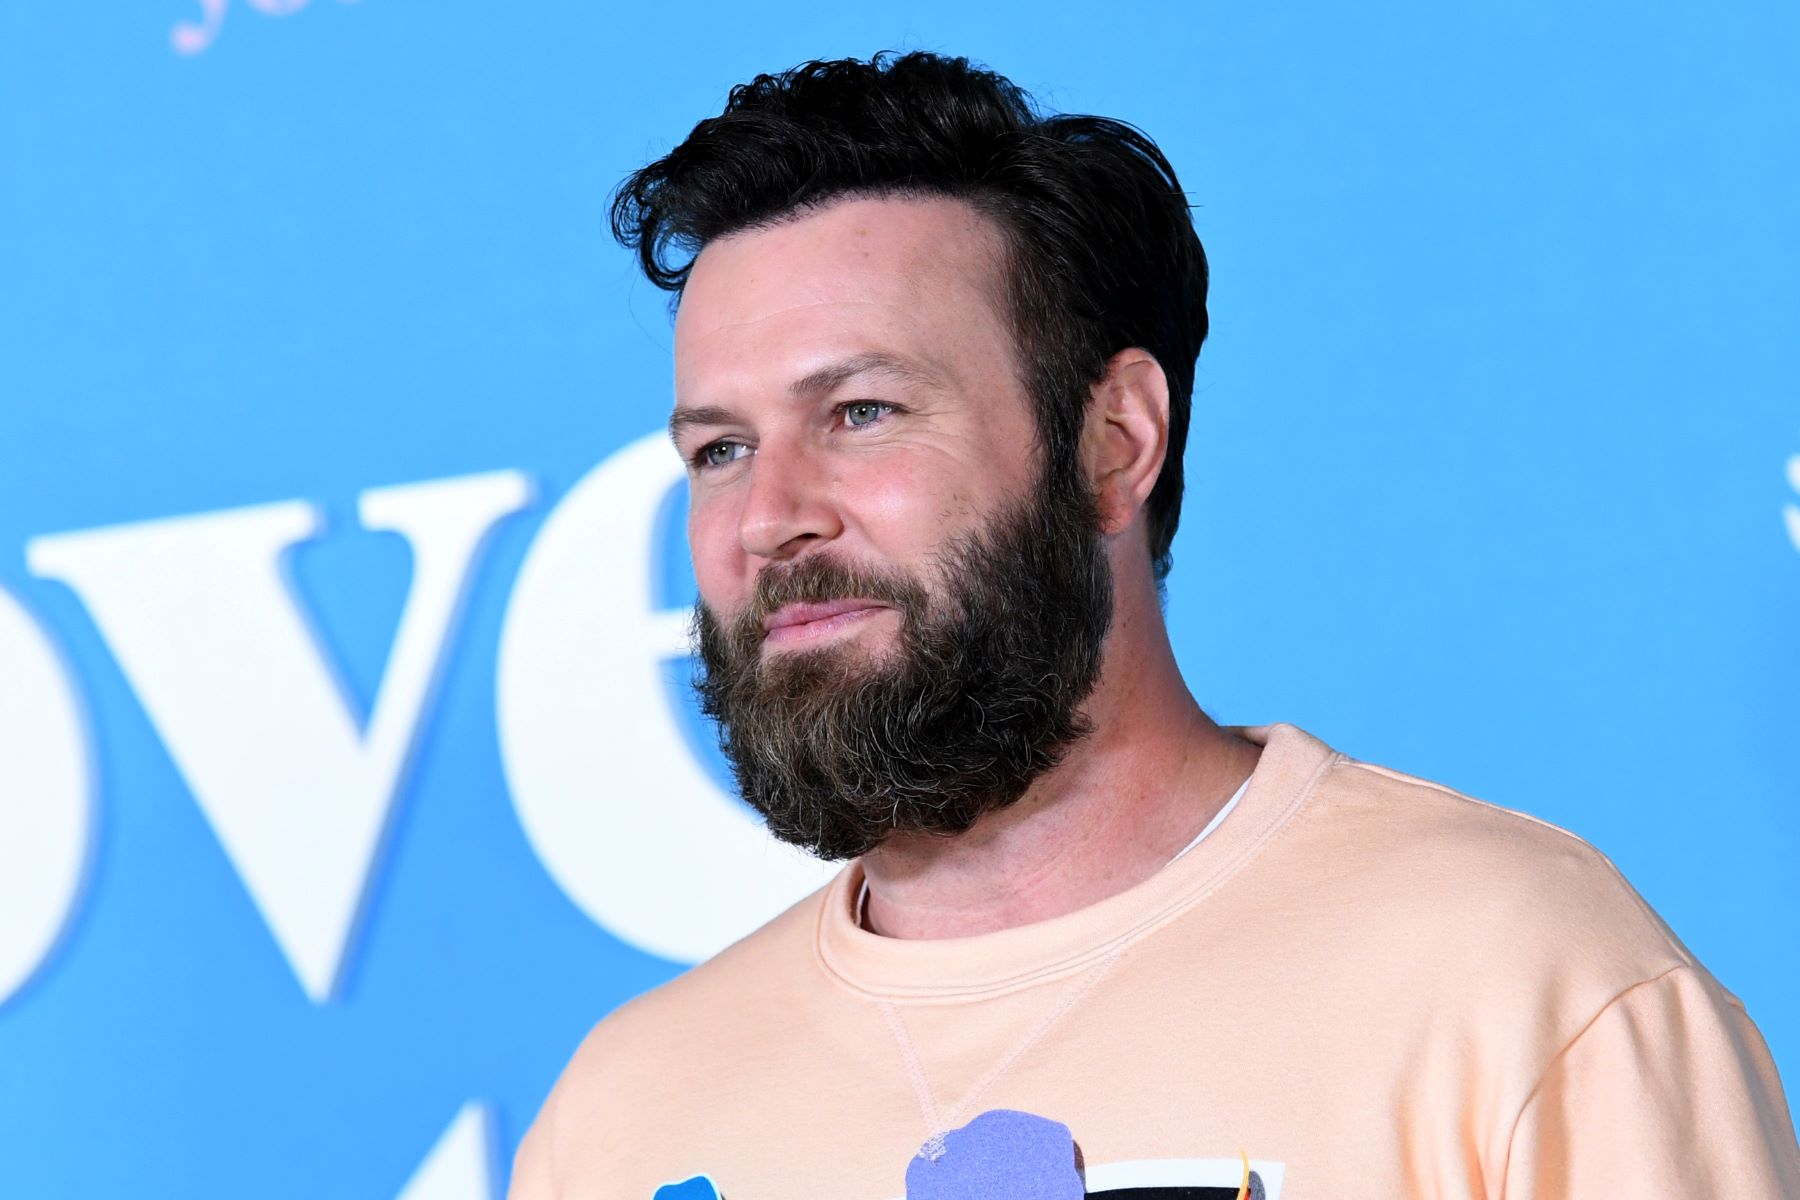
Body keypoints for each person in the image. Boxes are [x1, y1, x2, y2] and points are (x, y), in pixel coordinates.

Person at [509, 52, 1800, 1199]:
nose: (769, 517)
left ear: (1113, 442)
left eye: (861, 414)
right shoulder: (621, 1123)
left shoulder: (1519, 984)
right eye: (720, 448)